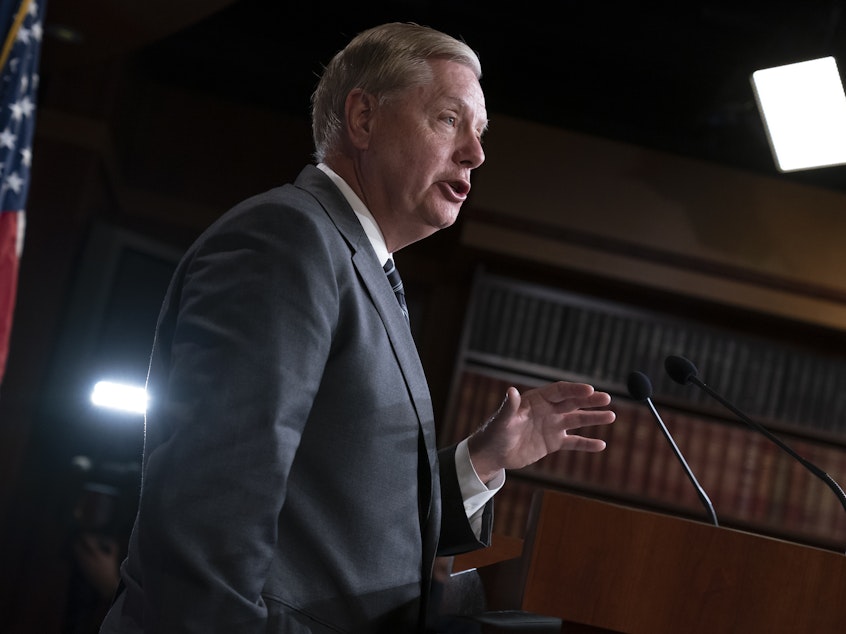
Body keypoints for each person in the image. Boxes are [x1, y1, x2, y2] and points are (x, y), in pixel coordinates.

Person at [99, 22, 616, 634]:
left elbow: (344, 528)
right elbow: (210, 508)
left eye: (480, 133)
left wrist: (480, 460)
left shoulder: (356, 264)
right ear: (364, 119)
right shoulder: (288, 240)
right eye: (450, 120)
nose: (476, 153)